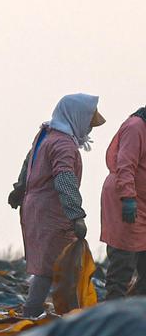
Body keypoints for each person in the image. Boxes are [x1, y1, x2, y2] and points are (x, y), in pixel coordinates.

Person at [9, 94, 105, 317]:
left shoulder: (46, 134)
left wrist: (19, 187)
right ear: (77, 117)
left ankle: (42, 312)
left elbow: (29, 160)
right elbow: (64, 179)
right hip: (52, 212)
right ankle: (54, 314)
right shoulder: (62, 144)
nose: (90, 129)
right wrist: (76, 215)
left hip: (35, 206)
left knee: (49, 265)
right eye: (89, 123)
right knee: (58, 267)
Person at [100, 105, 146, 299]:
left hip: (142, 201)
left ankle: (137, 314)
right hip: (126, 200)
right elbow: (125, 164)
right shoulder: (136, 127)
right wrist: (128, 197)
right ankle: (113, 315)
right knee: (123, 261)